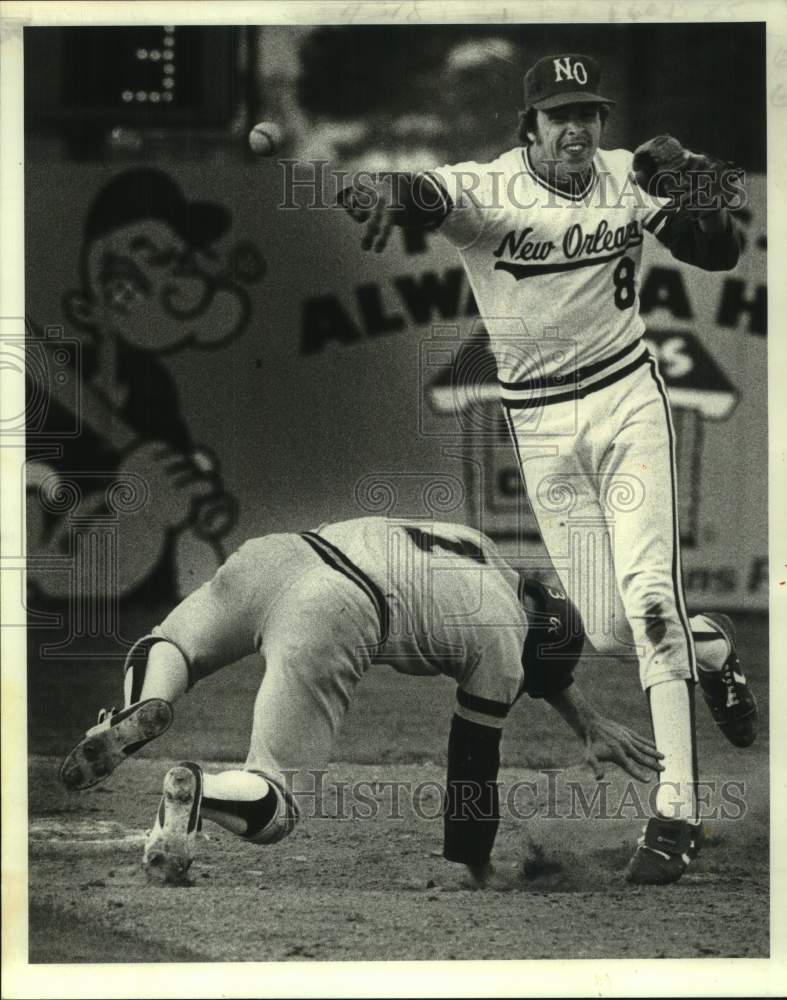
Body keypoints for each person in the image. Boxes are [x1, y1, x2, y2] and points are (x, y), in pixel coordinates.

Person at [340, 53, 758, 884]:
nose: (578, 128)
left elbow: (720, 250)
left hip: (626, 399)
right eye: (559, 114)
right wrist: (390, 192)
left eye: (589, 112)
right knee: (607, 629)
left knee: (644, 603)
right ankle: (711, 652)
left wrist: (698, 187)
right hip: (538, 425)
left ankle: (674, 812)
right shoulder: (494, 189)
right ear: (527, 125)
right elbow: (431, 194)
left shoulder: (626, 172)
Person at [60, 516, 664, 887]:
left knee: (172, 643)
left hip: (281, 553)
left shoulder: (476, 546)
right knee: (277, 800)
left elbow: (536, 656)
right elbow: (472, 761)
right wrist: (480, 867)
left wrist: (585, 718)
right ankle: (201, 790)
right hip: (336, 607)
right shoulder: (506, 645)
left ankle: (136, 708)